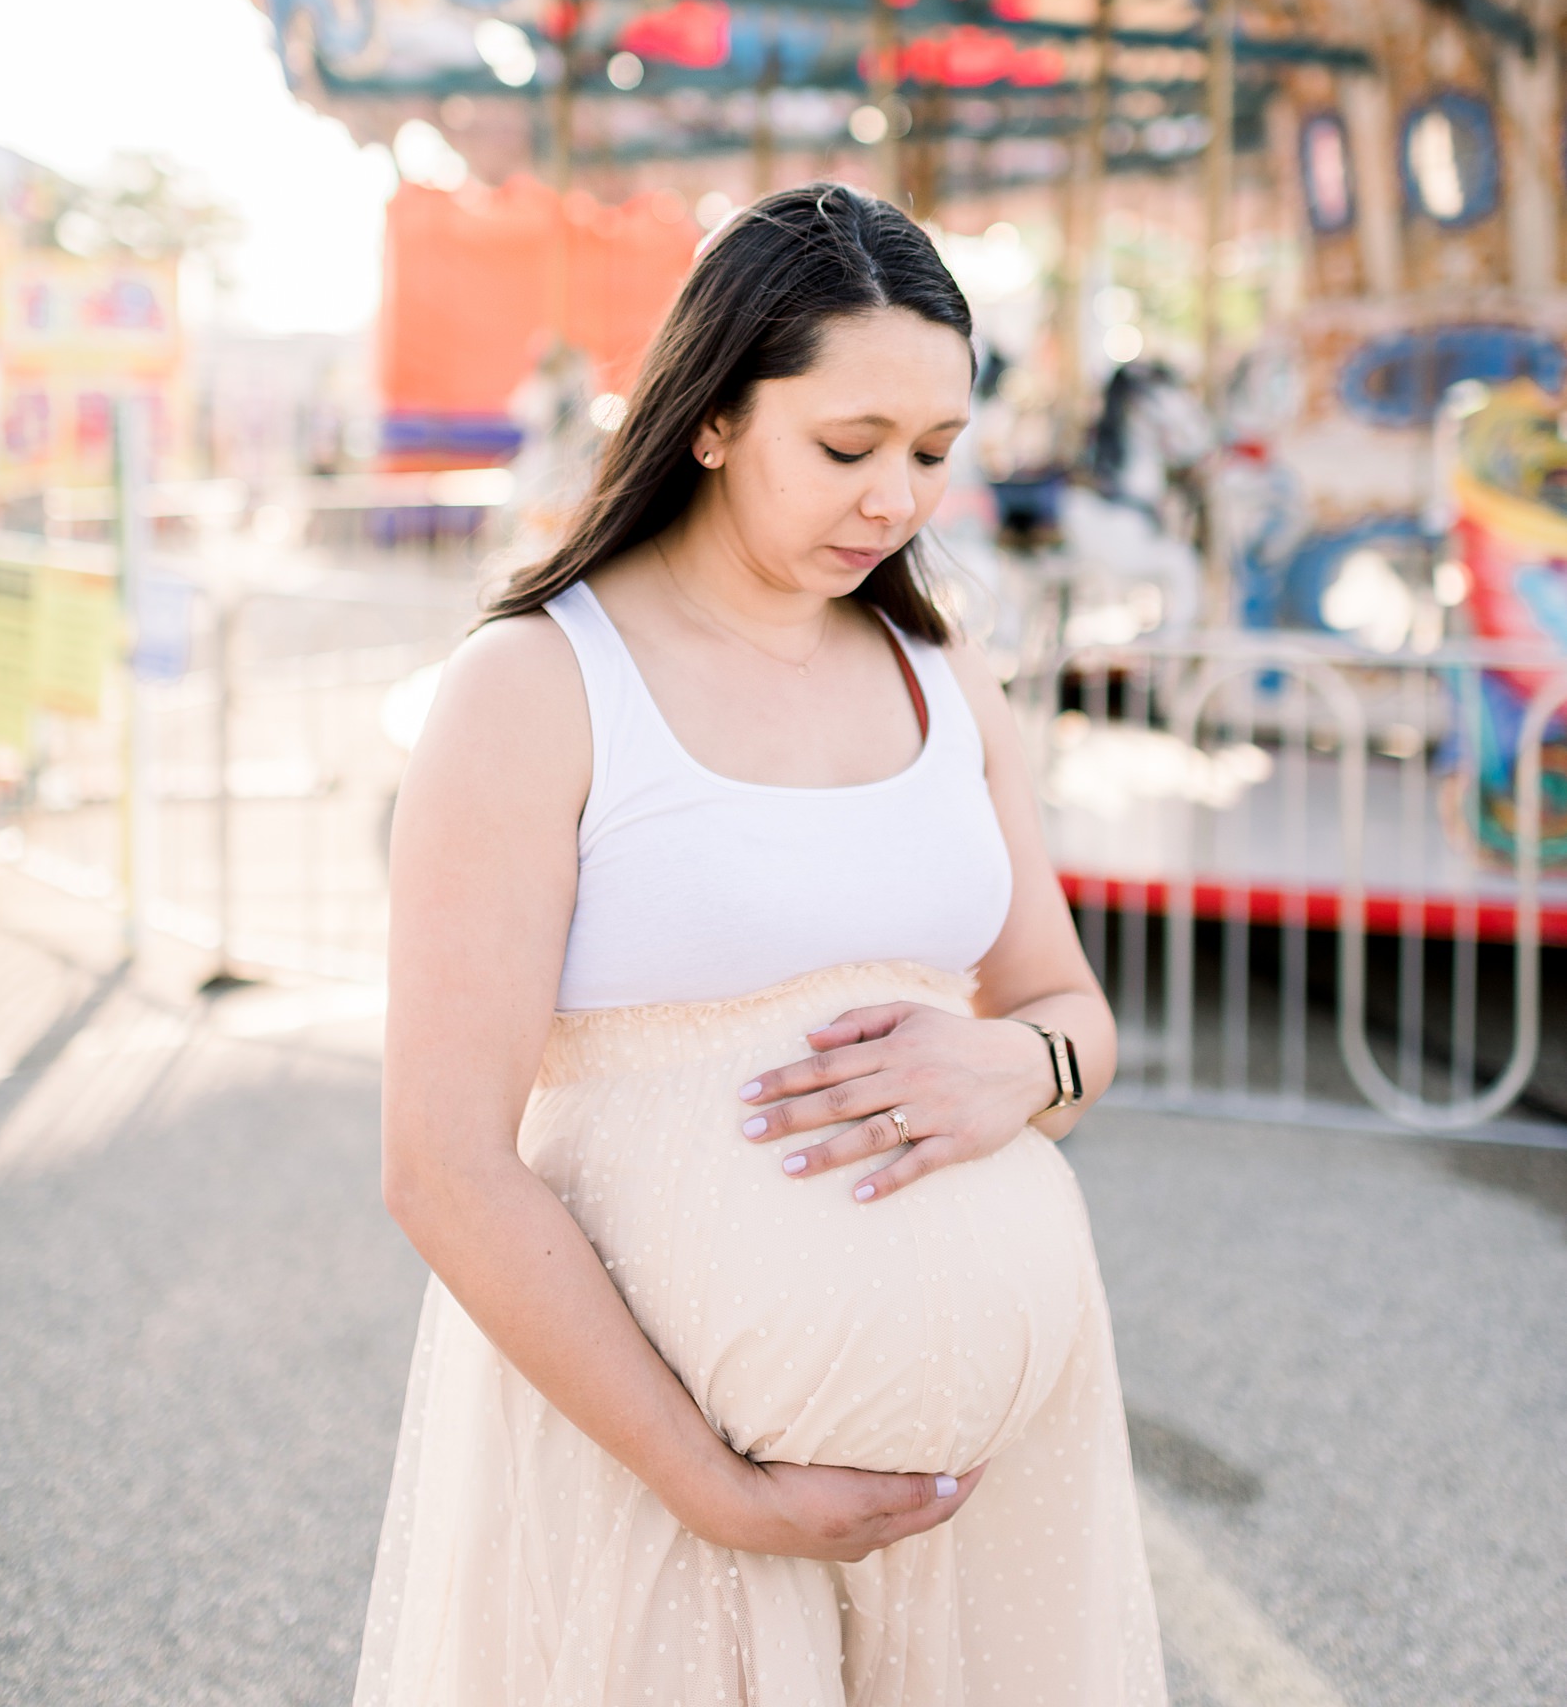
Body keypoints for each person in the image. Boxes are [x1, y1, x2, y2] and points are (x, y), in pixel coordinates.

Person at [357, 185, 1166, 1707]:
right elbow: (441, 1161)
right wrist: (710, 1483)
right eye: (847, 449)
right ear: (712, 419)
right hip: (656, 1476)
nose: (896, 502)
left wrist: (1021, 1062)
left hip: (998, 1492)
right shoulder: (536, 688)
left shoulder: (940, 669)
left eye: (934, 454)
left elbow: (1069, 1011)